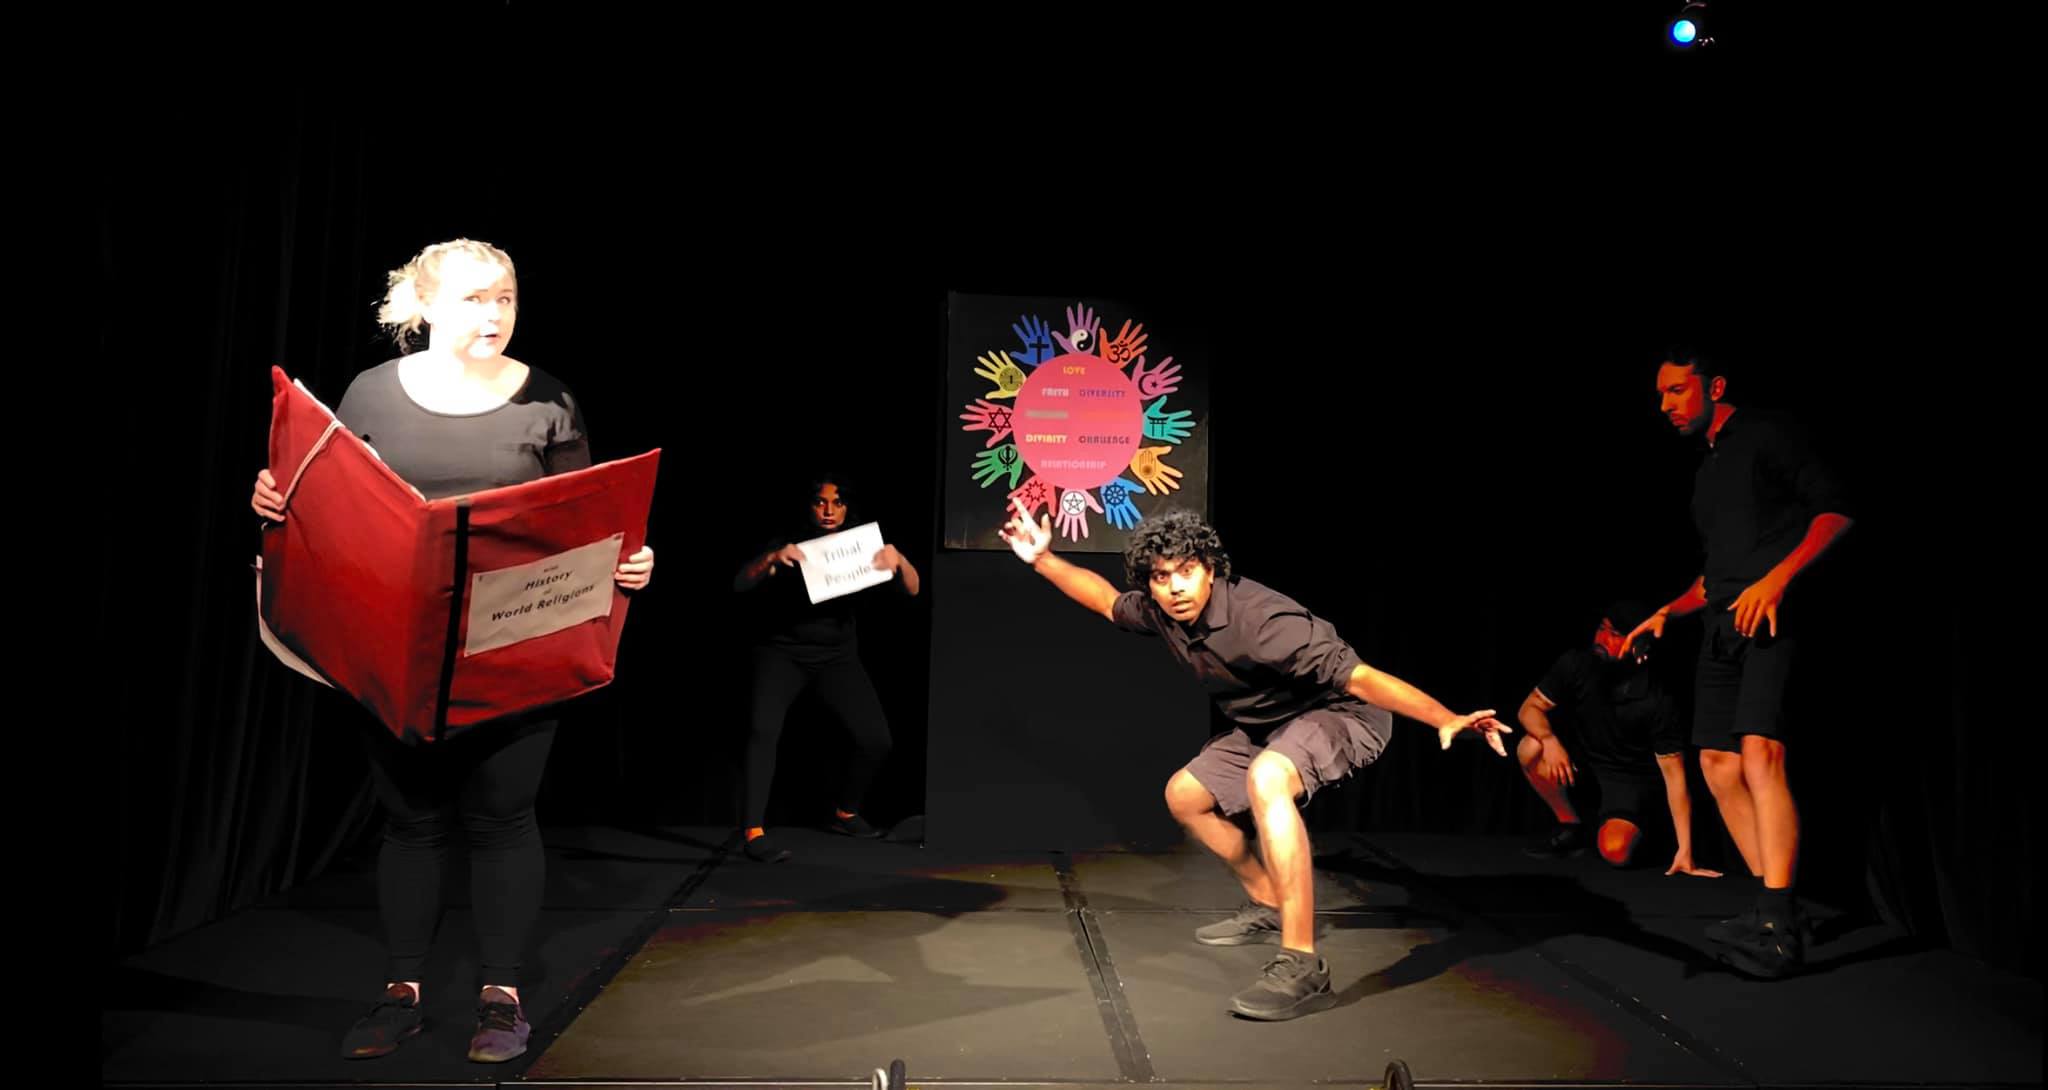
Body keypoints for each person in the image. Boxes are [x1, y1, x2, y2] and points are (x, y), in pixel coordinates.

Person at [251, 239, 654, 1062]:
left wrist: (629, 561)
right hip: (397, 647)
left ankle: (501, 999)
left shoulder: (549, 401)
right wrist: (275, 499)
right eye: (474, 299)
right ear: (427, 306)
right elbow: (328, 501)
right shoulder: (370, 393)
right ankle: (400, 993)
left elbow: (587, 523)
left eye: (505, 297)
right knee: (411, 822)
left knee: (503, 817)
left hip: (513, 647)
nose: (495, 315)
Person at [999, 503, 1508, 1021]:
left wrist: (1444, 717)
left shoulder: (1262, 620)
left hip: (1343, 715)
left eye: (1186, 571)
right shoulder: (1161, 611)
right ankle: (1268, 901)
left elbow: (1359, 679)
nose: (1175, 587)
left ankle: (1303, 962)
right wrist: (1043, 560)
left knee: (1268, 778)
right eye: (1161, 577)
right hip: (1269, 726)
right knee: (1185, 796)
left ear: (1210, 569)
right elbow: (1107, 601)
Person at [1623, 348, 1852, 978]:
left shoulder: (1767, 434)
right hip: (1722, 626)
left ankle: (1778, 927)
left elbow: (1836, 511)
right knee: (1717, 765)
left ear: (1714, 385)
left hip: (1773, 617)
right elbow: (1715, 575)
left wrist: (1777, 581)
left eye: (1676, 390)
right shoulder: (1707, 473)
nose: (1665, 405)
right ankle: (1774, 907)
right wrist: (1667, 612)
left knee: (1759, 753)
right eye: (1660, 394)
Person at [731, 473, 918, 862]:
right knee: (762, 731)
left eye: (837, 503)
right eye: (821, 502)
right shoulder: (788, 540)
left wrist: (899, 560)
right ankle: (753, 831)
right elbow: (740, 584)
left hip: (836, 656)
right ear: (809, 505)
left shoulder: (861, 543)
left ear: (848, 507)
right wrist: (771, 559)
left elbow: (913, 589)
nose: (829, 510)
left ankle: (845, 812)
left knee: (876, 740)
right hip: (782, 652)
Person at [1517, 599, 1717, 878]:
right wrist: (1549, 740)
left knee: (1616, 851)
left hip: (1630, 782)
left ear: (1639, 644)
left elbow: (1675, 778)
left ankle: (1641, 834)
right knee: (1530, 747)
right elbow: (1529, 709)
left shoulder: (1656, 697)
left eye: (1615, 634)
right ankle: (1571, 826)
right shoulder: (1577, 663)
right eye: (1602, 628)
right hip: (1586, 766)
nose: (1602, 639)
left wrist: (1685, 851)